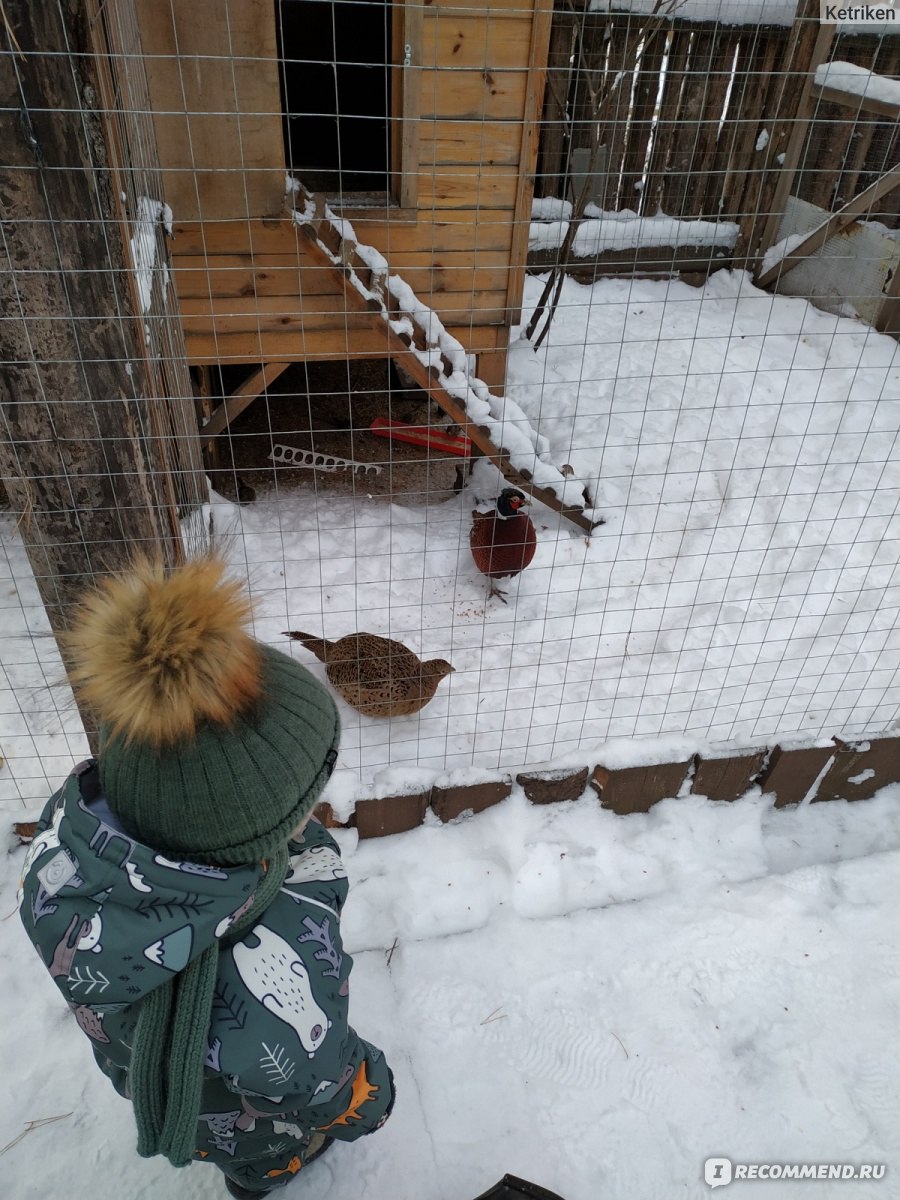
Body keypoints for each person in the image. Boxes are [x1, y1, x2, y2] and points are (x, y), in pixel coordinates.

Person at [17, 555, 394, 1198]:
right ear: (241, 837)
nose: (313, 816)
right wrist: (370, 1096)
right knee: (261, 1150)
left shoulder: (73, 856)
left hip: (142, 1071)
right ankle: (262, 1178)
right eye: (302, 806)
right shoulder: (258, 971)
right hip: (243, 1118)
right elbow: (316, 1079)